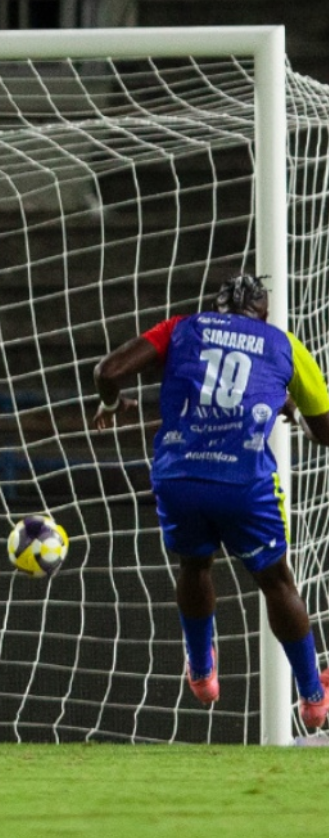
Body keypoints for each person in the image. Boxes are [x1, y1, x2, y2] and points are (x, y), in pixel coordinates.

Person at [92, 274, 329, 730]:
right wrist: (292, 410)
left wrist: (111, 401)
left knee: (194, 566)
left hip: (180, 478)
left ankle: (201, 671)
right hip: (243, 485)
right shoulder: (282, 344)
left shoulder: (183, 327)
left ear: (216, 308)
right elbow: (326, 433)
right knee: (277, 582)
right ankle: (313, 698)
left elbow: (107, 371)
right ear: (262, 313)